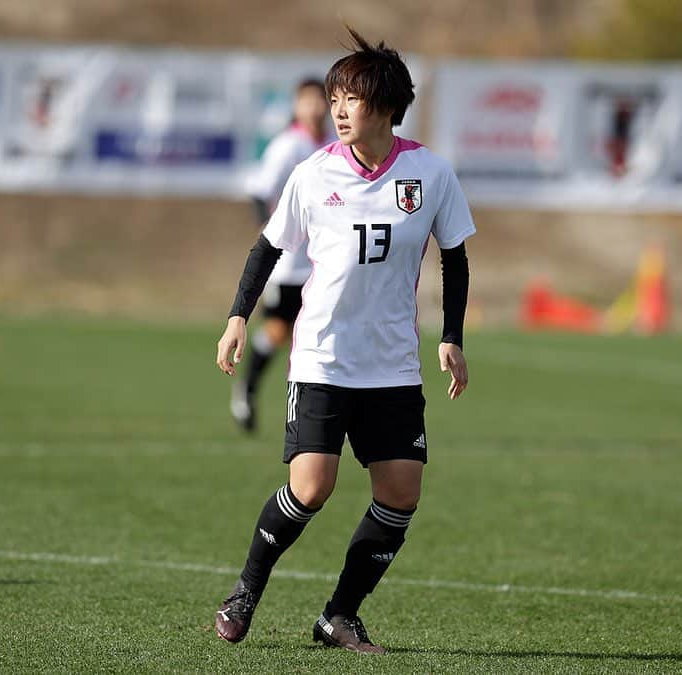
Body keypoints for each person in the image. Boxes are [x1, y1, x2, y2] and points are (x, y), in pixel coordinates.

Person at [214, 27, 475, 654]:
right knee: (312, 486)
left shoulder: (430, 174)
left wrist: (453, 336)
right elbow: (268, 247)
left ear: (385, 106)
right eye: (333, 97)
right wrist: (237, 316)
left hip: (392, 366)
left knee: (401, 492)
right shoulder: (312, 173)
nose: (337, 109)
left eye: (350, 99)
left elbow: (456, 256)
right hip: (323, 359)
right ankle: (245, 591)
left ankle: (339, 616)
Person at [231, 78, 330, 431]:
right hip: (289, 265)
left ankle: (320, 412)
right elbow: (259, 191)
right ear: (296, 105)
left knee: (320, 336)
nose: (316, 107)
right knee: (277, 331)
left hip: (326, 265)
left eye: (322, 100)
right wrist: (270, 234)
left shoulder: (335, 146)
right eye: (308, 100)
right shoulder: (289, 146)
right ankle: (247, 390)